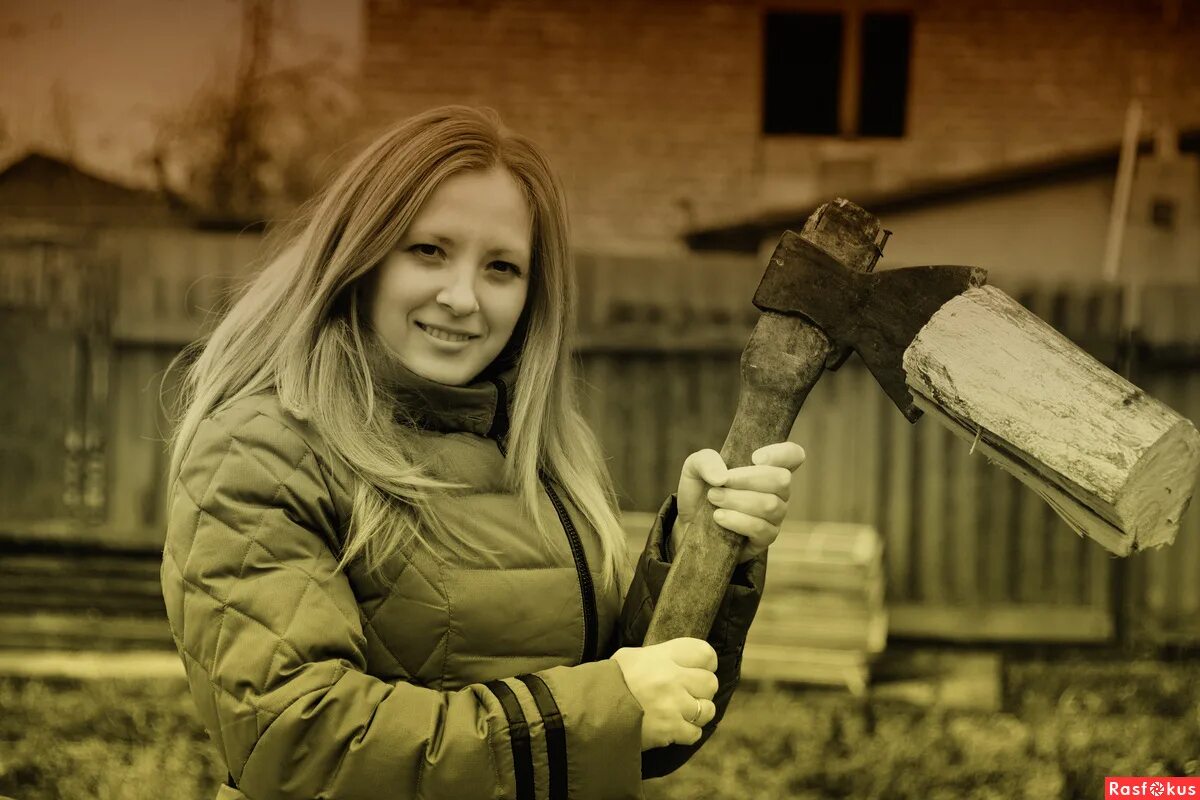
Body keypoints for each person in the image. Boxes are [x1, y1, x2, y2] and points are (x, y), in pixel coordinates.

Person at [161, 105, 806, 800]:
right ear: (360, 255)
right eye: (429, 250)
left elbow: (639, 733)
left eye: (502, 267)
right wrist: (609, 710)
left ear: (534, 295)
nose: (463, 297)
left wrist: (698, 549)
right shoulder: (265, 448)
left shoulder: (538, 459)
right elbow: (296, 741)